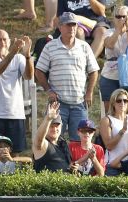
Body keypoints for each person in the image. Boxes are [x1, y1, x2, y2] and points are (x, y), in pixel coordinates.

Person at [36, 12, 100, 141]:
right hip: (58, 103)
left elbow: (93, 71)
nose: (72, 28)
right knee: (54, 140)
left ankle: (75, 162)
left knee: (79, 141)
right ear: (60, 27)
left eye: (74, 25)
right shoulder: (50, 46)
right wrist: (48, 90)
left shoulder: (84, 47)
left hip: (79, 102)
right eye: (68, 25)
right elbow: (39, 71)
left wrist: (89, 92)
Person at [0, 31, 34, 154]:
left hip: (15, 113)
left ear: (9, 42)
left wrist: (27, 55)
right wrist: (13, 52)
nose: (2, 42)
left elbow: (28, 76)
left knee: (14, 153)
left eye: (5, 39)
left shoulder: (19, 58)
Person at [99, 5, 128, 116]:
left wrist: (127, 27)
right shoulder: (109, 32)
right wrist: (118, 30)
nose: (121, 19)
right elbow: (109, 44)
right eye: (118, 16)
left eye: (124, 16)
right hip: (110, 75)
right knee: (110, 113)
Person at [98, 89, 128, 176]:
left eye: (125, 100)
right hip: (114, 164)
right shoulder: (107, 120)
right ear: (113, 103)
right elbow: (109, 146)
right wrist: (123, 130)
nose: (122, 103)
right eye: (119, 100)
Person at [32, 100, 73, 173]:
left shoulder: (63, 144)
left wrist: (72, 168)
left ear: (61, 126)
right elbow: (39, 140)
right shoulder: (44, 145)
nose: (54, 129)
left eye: (57, 126)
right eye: (51, 126)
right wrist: (48, 119)